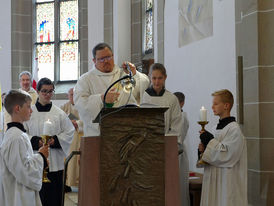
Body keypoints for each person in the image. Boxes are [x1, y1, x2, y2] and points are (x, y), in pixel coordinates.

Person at [74, 42, 149, 136]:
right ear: (94, 60)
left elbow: (145, 85)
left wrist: (134, 74)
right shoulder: (85, 79)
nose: (106, 61)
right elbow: (80, 103)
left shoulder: (123, 74)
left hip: (126, 131)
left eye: (109, 57)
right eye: (101, 59)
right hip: (98, 134)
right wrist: (101, 98)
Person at [24, 78, 74, 206]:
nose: (47, 94)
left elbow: (69, 132)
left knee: (54, 198)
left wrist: (54, 140)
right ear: (38, 91)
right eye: (44, 91)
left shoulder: (59, 113)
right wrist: (36, 141)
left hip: (55, 165)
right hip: (34, 161)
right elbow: (23, 133)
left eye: (50, 91)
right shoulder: (30, 112)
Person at [198, 89, 247, 206]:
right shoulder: (215, 128)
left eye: (215, 103)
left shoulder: (234, 130)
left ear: (226, 105)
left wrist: (209, 141)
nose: (212, 107)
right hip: (212, 180)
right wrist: (202, 150)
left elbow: (227, 155)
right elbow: (210, 155)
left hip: (227, 181)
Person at [0, 90, 49, 206]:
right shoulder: (16, 137)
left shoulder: (17, 134)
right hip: (18, 196)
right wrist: (41, 155)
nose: (31, 110)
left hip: (20, 193)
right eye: (28, 107)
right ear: (17, 108)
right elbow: (24, 171)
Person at [60, 88, 83, 191]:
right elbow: (58, 119)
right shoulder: (65, 106)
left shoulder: (83, 105)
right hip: (68, 139)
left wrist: (77, 123)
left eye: (74, 94)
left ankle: (81, 183)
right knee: (68, 161)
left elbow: (90, 120)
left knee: (77, 161)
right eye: (70, 95)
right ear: (68, 96)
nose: (72, 97)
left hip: (80, 137)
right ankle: (67, 183)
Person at [174, 91, 190, 206]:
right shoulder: (175, 116)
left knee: (179, 188)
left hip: (178, 154)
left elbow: (178, 138)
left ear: (182, 103)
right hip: (173, 154)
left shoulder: (182, 117)